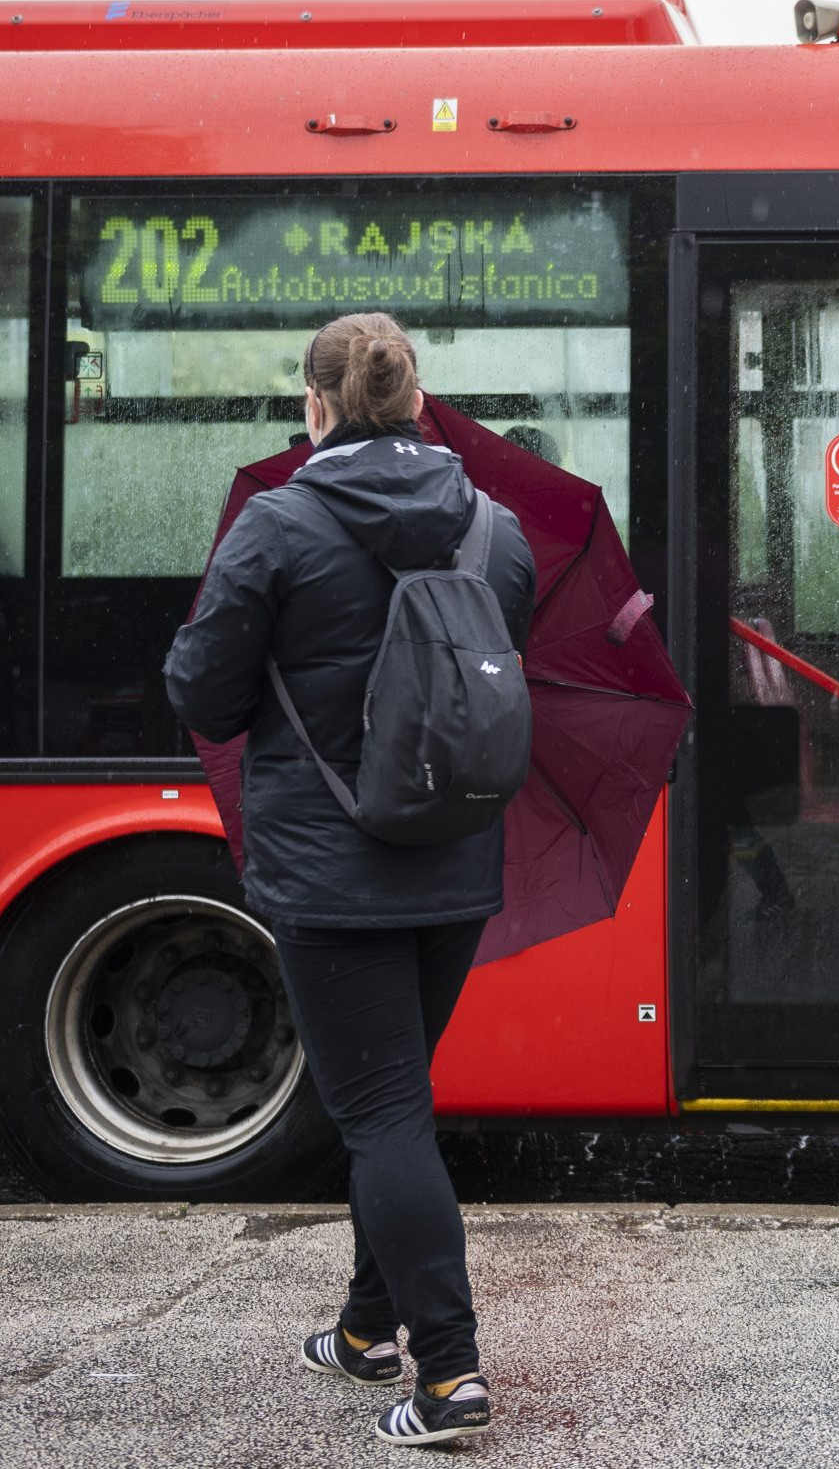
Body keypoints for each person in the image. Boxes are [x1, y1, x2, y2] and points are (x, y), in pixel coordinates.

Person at [164, 312, 535, 1448]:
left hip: (332, 876)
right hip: (457, 860)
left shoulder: (277, 526)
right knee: (397, 1105)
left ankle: (450, 1377)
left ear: (315, 405)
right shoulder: (497, 530)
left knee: (377, 1115)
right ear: (420, 405)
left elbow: (204, 695)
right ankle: (370, 1328)